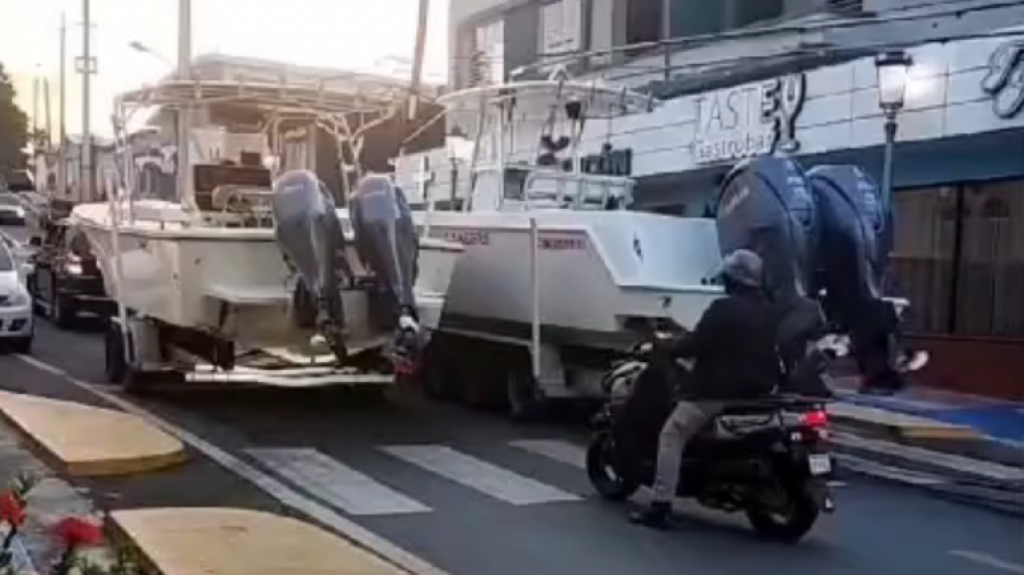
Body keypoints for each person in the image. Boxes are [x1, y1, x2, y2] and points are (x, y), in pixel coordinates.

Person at [630, 249, 783, 529]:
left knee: (672, 433)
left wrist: (665, 348)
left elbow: (694, 345)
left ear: (732, 280)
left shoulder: (722, 309)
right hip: (759, 391)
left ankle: (660, 506)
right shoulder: (769, 310)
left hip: (718, 393)